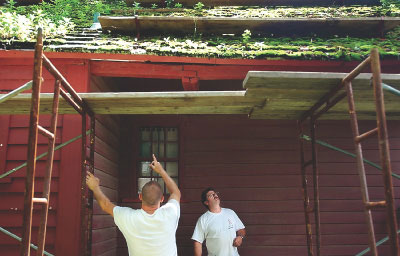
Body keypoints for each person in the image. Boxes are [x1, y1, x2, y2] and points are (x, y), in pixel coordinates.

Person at [86, 154, 181, 256]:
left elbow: (105, 205)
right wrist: (161, 170)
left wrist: (95, 187)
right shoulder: (170, 213)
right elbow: (176, 193)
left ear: (140, 197)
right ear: (162, 199)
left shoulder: (128, 217)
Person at [192, 187, 246, 256]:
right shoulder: (203, 219)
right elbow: (197, 241)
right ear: (206, 202)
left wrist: (240, 237)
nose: (215, 195)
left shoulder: (230, 212)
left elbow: (241, 229)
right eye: (211, 195)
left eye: (215, 193)